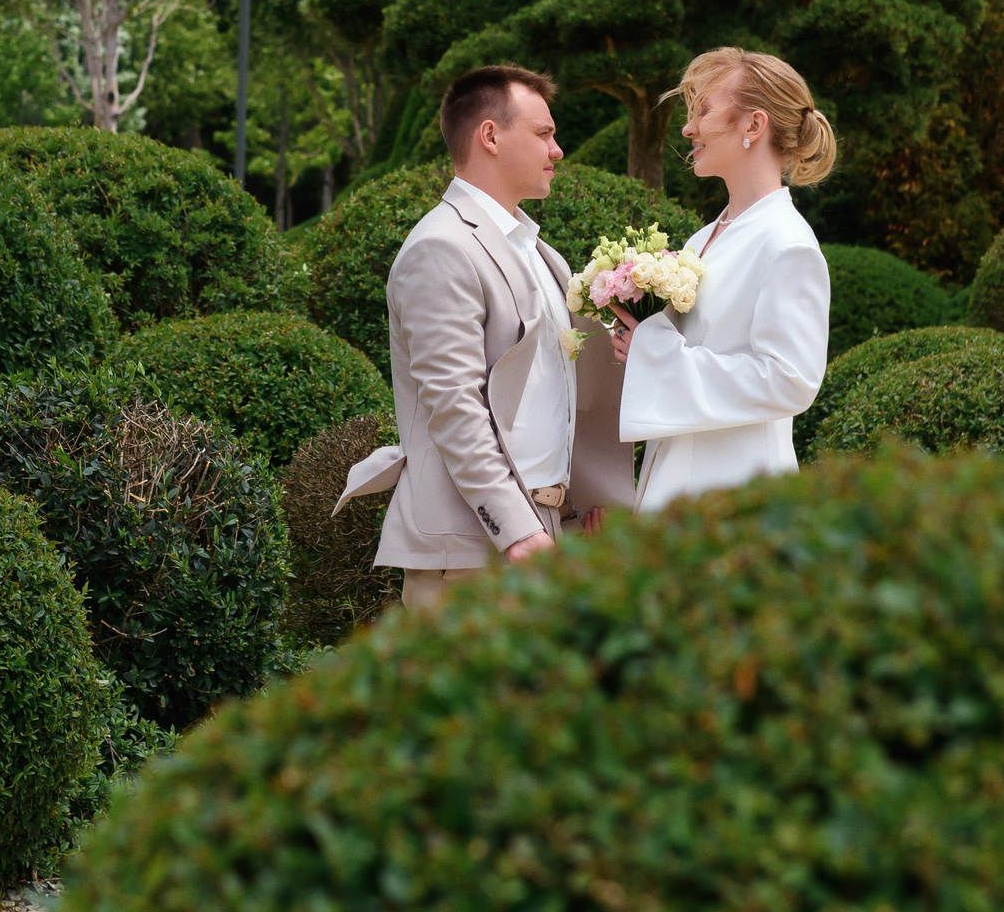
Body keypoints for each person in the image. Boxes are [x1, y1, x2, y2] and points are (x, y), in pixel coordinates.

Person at [336, 64, 634, 611]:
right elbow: (455, 405)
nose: (559, 149)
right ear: (490, 136)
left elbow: (564, 396)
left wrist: (585, 504)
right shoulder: (441, 248)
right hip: (473, 548)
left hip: (552, 531)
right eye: (544, 133)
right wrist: (518, 532)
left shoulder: (543, 254)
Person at [609, 48, 834, 512]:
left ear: (754, 126)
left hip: (739, 498)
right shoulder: (702, 239)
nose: (688, 128)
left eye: (704, 111)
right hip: (676, 483)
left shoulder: (787, 243)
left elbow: (791, 379)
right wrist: (637, 344)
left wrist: (654, 353)